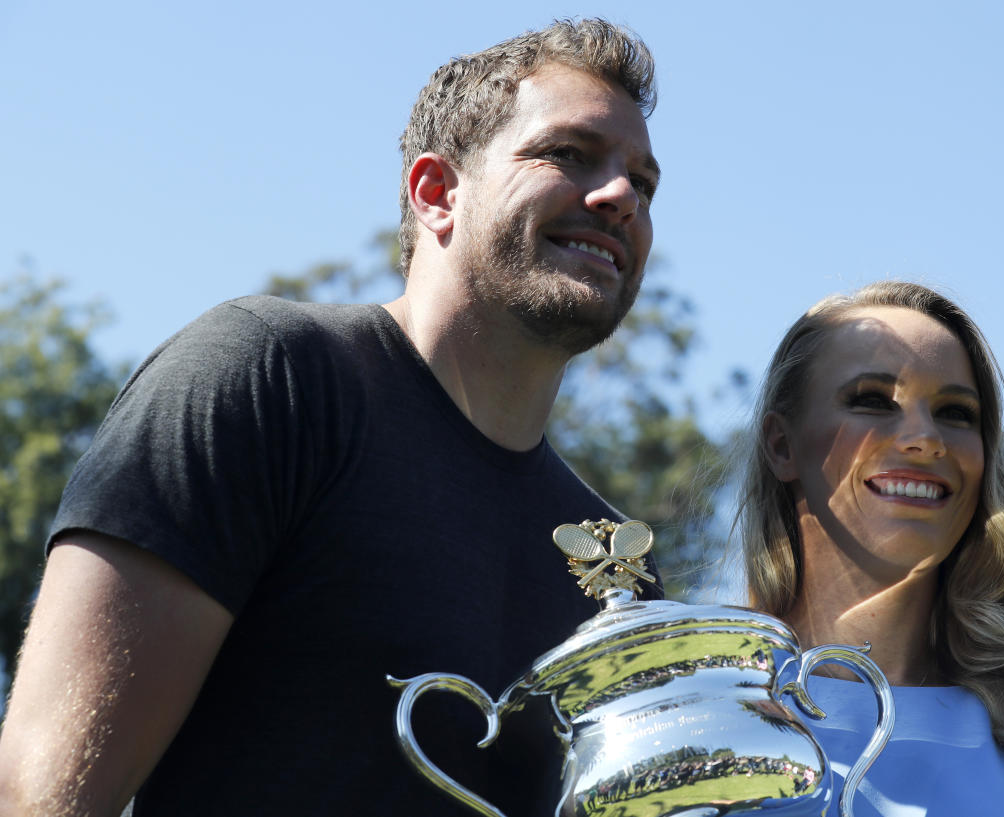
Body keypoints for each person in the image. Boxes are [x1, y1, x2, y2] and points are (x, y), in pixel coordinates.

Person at [0, 18, 662, 817]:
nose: (620, 195)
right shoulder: (268, 379)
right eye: (569, 153)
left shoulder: (616, 561)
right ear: (436, 192)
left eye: (644, 181)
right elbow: (44, 793)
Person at [738, 281, 1004, 817]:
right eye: (872, 401)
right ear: (782, 445)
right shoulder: (698, 706)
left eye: (956, 412)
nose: (924, 438)